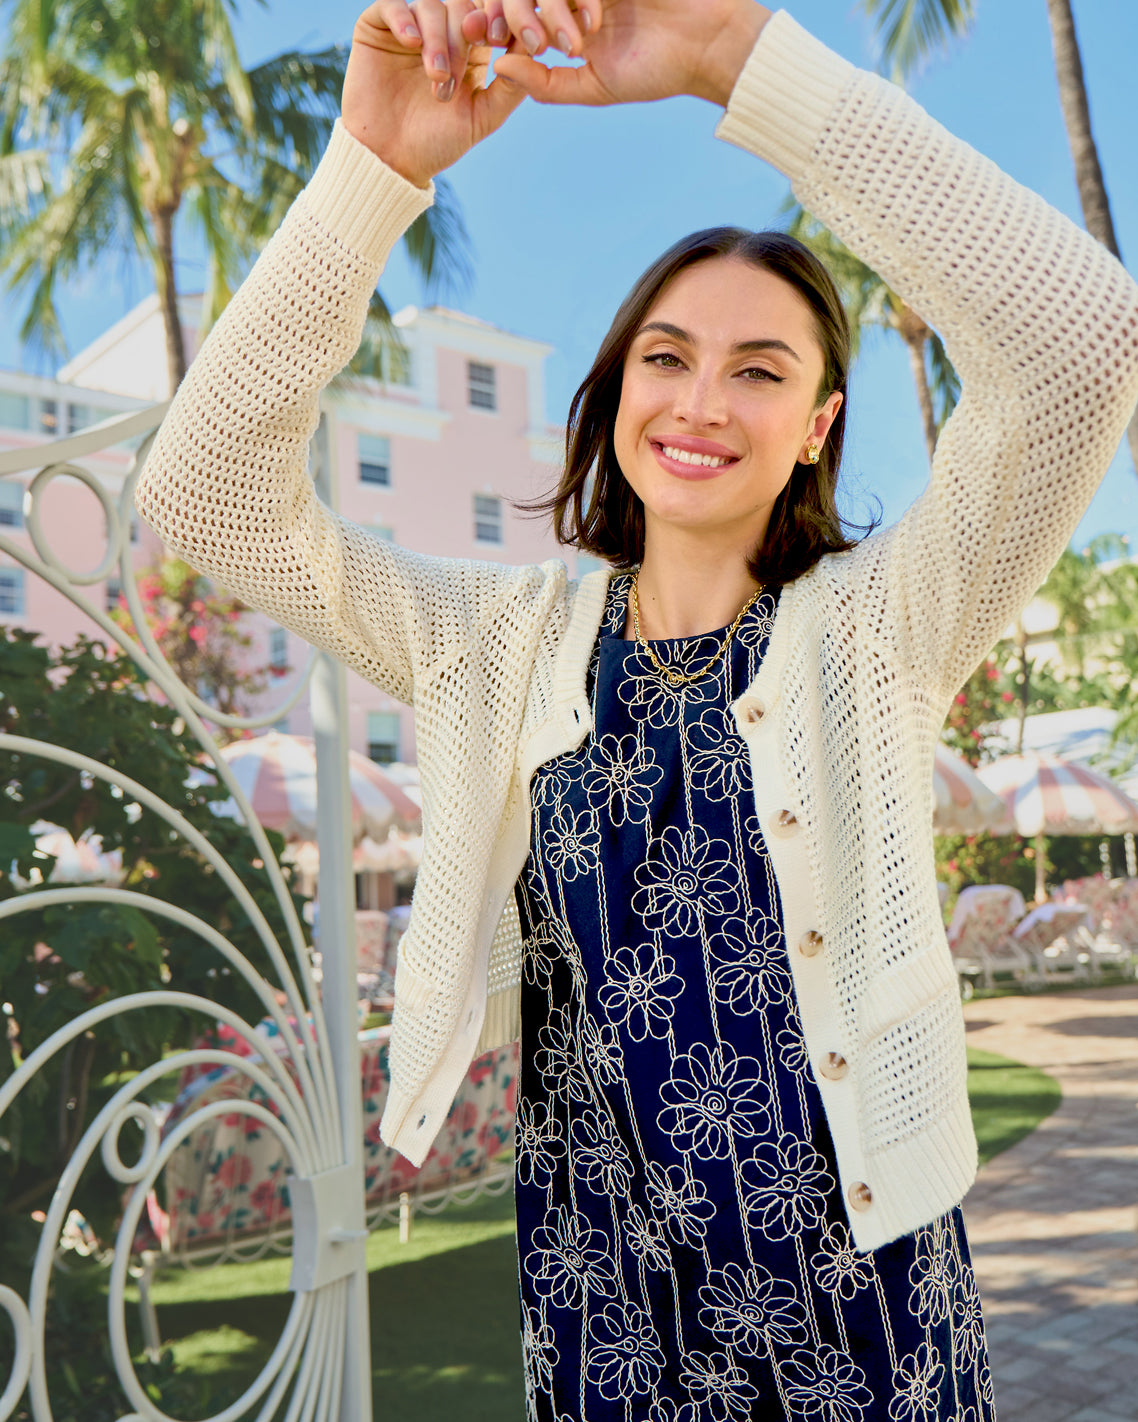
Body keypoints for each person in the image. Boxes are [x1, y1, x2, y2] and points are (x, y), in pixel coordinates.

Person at [135, 1, 1138, 1416]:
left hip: (863, 1311)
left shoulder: (880, 624)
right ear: (615, 391)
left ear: (818, 425)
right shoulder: (491, 640)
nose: (701, 399)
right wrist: (374, 159)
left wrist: (736, 57)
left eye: (760, 368)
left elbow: (1084, 343)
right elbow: (206, 492)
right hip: (607, 1312)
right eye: (666, 355)